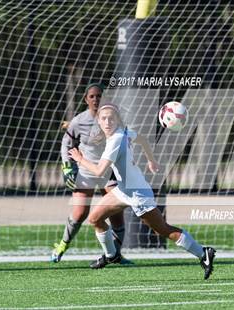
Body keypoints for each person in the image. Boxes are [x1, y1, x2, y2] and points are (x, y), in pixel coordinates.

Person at [68, 102, 216, 279]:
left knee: (162, 230)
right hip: (124, 190)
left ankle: (203, 252)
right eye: (104, 118)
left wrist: (80, 159)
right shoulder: (123, 133)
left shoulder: (115, 140)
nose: (107, 122)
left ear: (118, 120)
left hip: (138, 193)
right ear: (98, 121)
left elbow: (99, 171)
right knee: (95, 218)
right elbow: (143, 140)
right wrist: (151, 161)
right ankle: (111, 255)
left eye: (111, 118)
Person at [51, 84, 131, 265]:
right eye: (92, 96)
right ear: (86, 99)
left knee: (116, 213)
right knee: (80, 213)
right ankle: (62, 245)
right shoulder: (79, 121)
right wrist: (66, 166)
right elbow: (66, 143)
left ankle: (116, 254)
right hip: (86, 170)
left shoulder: (112, 118)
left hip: (108, 171)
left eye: (99, 96)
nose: (96, 99)